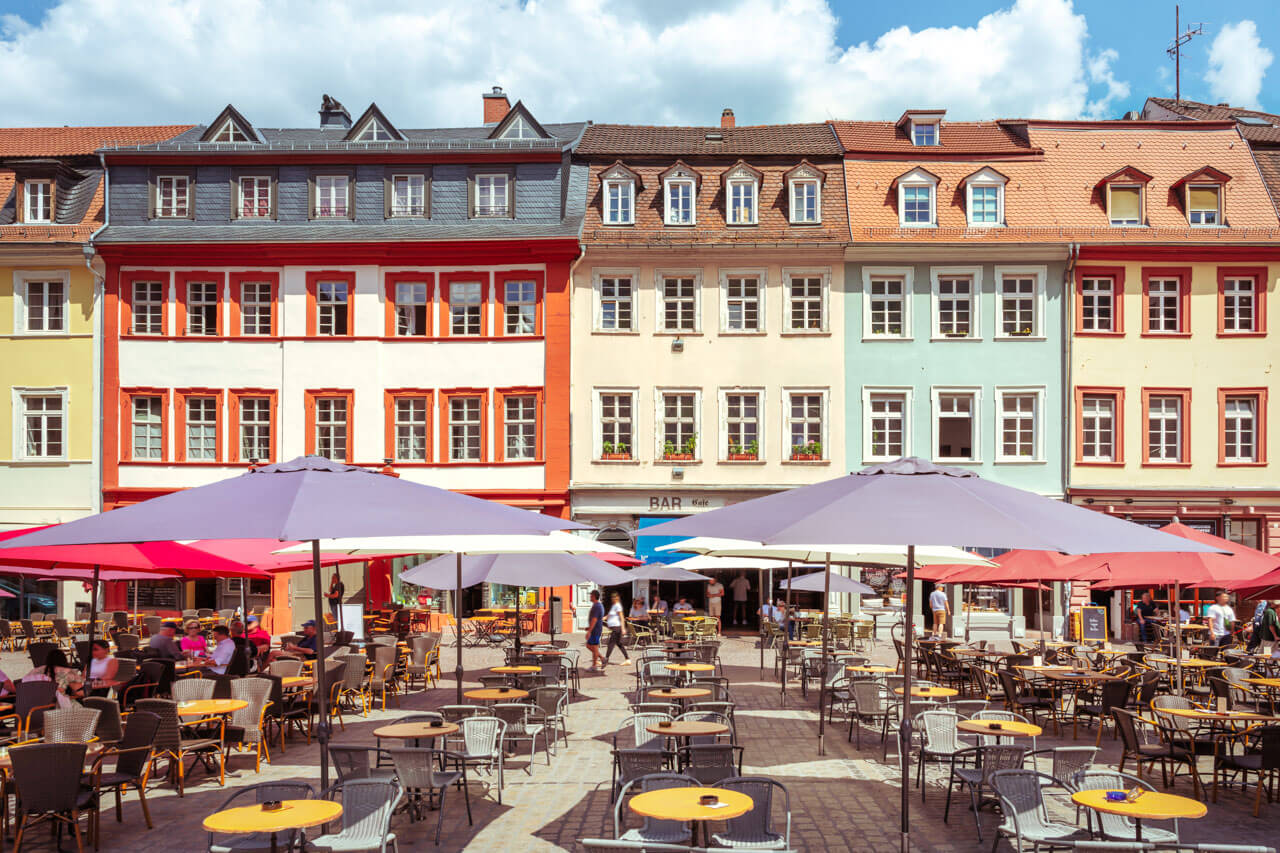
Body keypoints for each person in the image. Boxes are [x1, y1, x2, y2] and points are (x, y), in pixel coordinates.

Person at [602, 591, 629, 666]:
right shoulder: (614, 606)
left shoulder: (618, 606)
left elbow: (622, 617)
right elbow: (608, 616)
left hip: (617, 628)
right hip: (615, 627)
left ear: (617, 598)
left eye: (615, 597)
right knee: (619, 643)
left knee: (611, 643)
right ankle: (627, 659)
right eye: (612, 597)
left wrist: (623, 628)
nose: (613, 598)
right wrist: (601, 619)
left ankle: (606, 659)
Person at [585, 590, 604, 671]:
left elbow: (595, 619)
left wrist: (589, 631)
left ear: (594, 596)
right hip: (595, 629)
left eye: (591, 595)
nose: (590, 597)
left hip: (595, 630)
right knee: (589, 645)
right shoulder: (597, 605)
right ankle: (602, 658)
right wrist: (589, 628)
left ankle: (594, 666)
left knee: (594, 647)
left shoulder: (597, 606)